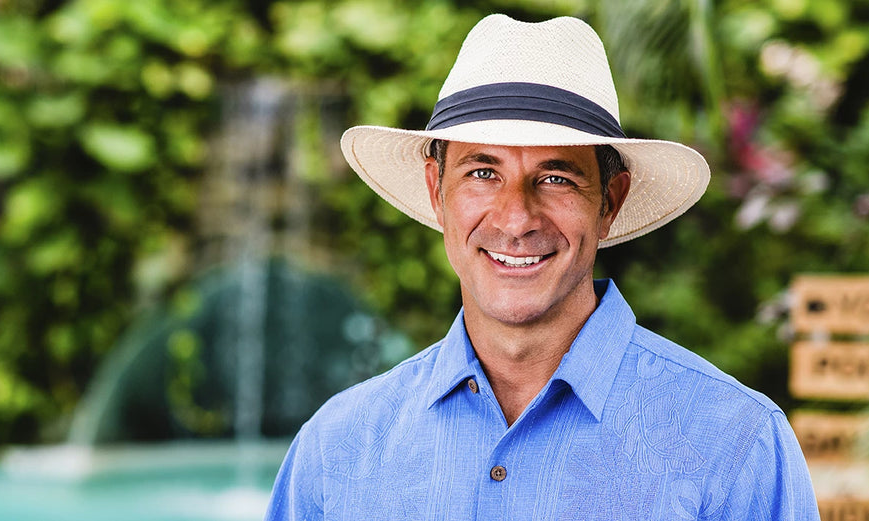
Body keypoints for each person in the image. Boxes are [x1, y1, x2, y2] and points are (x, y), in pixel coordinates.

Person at [266, 14, 819, 520]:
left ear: (610, 201)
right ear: (437, 191)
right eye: (483, 172)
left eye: (556, 177)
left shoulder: (736, 444)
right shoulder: (335, 451)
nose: (516, 217)